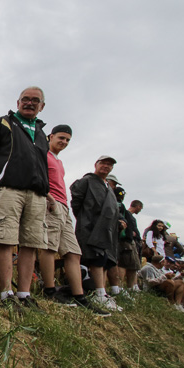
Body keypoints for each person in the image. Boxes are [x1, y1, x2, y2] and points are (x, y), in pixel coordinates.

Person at [0, 86, 48, 311]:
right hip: (10, 190)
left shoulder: (41, 132)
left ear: (42, 106)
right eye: (25, 99)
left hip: (37, 194)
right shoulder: (3, 124)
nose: (29, 103)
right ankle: (7, 294)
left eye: (35, 100)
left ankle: (24, 294)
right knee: (6, 240)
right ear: (17, 102)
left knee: (30, 243)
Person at [37, 125, 108, 315]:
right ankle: (50, 290)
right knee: (50, 247)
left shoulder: (59, 162)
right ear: (50, 136)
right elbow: (36, 176)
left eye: (68, 140)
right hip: (51, 204)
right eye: (61, 138)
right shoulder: (42, 154)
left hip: (64, 207)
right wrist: (48, 198)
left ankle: (79, 296)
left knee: (73, 253)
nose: (64, 142)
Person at [70, 155, 123, 312]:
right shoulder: (87, 181)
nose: (106, 166)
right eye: (103, 163)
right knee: (95, 259)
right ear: (96, 164)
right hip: (90, 226)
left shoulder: (108, 187)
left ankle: (102, 291)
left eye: (109, 165)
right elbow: (76, 200)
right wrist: (84, 218)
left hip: (106, 229)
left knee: (104, 260)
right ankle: (98, 293)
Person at [114, 187, 141, 293]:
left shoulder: (123, 209)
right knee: (123, 264)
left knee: (132, 265)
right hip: (124, 241)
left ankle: (131, 288)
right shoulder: (120, 206)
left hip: (128, 240)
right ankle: (120, 288)